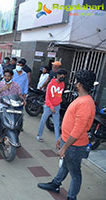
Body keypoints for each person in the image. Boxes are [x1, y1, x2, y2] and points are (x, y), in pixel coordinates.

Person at [38, 70, 96, 200]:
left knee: (75, 172)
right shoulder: (82, 99)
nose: (74, 83)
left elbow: (78, 129)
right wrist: (61, 138)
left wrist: (64, 147)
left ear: (80, 84)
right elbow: (72, 125)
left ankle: (71, 197)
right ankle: (56, 184)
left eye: (76, 82)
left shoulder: (85, 103)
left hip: (75, 146)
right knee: (65, 165)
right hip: (69, 142)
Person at [37, 69, 67, 142]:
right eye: (61, 76)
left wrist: (57, 104)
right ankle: (39, 135)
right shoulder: (51, 84)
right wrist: (51, 106)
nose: (63, 78)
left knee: (57, 124)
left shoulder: (62, 84)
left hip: (57, 106)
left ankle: (57, 141)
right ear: (58, 75)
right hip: (48, 106)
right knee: (43, 121)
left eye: (64, 76)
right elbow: (47, 97)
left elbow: (59, 95)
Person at [0, 69, 24, 135]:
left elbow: (19, 95)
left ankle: (17, 128)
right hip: (3, 104)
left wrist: (23, 100)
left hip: (13, 105)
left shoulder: (16, 85)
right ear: (3, 76)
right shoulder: (0, 84)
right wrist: (1, 90)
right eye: (5, 76)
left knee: (20, 115)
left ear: (12, 76)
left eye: (8, 76)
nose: (7, 77)